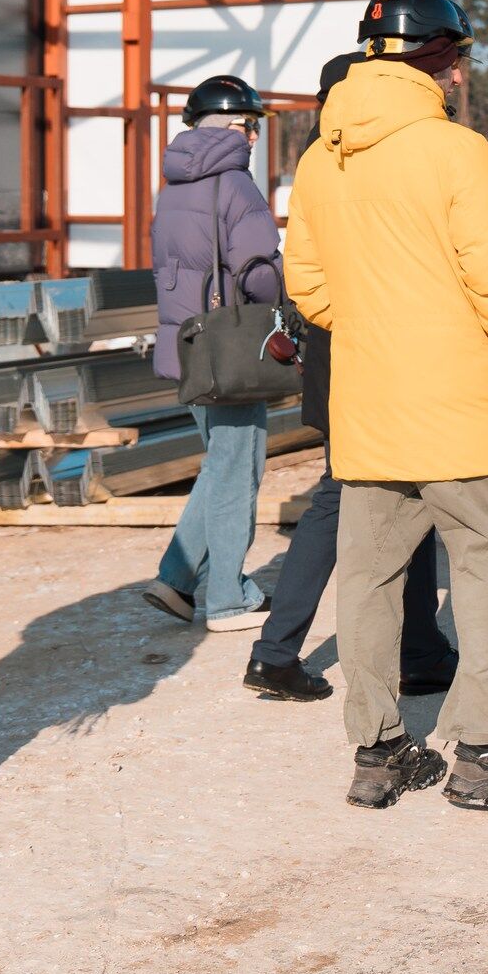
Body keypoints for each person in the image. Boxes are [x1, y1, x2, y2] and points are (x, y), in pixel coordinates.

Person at [284, 0, 488, 811]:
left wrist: (373, 329)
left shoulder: (322, 156)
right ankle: (482, 754)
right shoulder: (455, 150)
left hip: (368, 406)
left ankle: (378, 752)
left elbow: (308, 284)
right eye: (457, 59)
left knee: (369, 578)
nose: (460, 75)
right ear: (437, 57)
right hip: (457, 408)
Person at [243, 46, 460, 703]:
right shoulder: (358, 162)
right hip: (370, 358)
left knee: (402, 491)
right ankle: (278, 651)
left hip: (337, 356)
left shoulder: (323, 161)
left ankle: (418, 648)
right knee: (352, 494)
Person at [142, 75, 283, 633]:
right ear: (229, 127)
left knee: (219, 462)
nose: (254, 137)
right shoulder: (235, 184)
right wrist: (284, 304)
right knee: (237, 468)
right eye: (250, 125)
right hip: (232, 349)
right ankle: (227, 596)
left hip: (188, 346)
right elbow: (259, 271)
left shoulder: (174, 185)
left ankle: (176, 580)